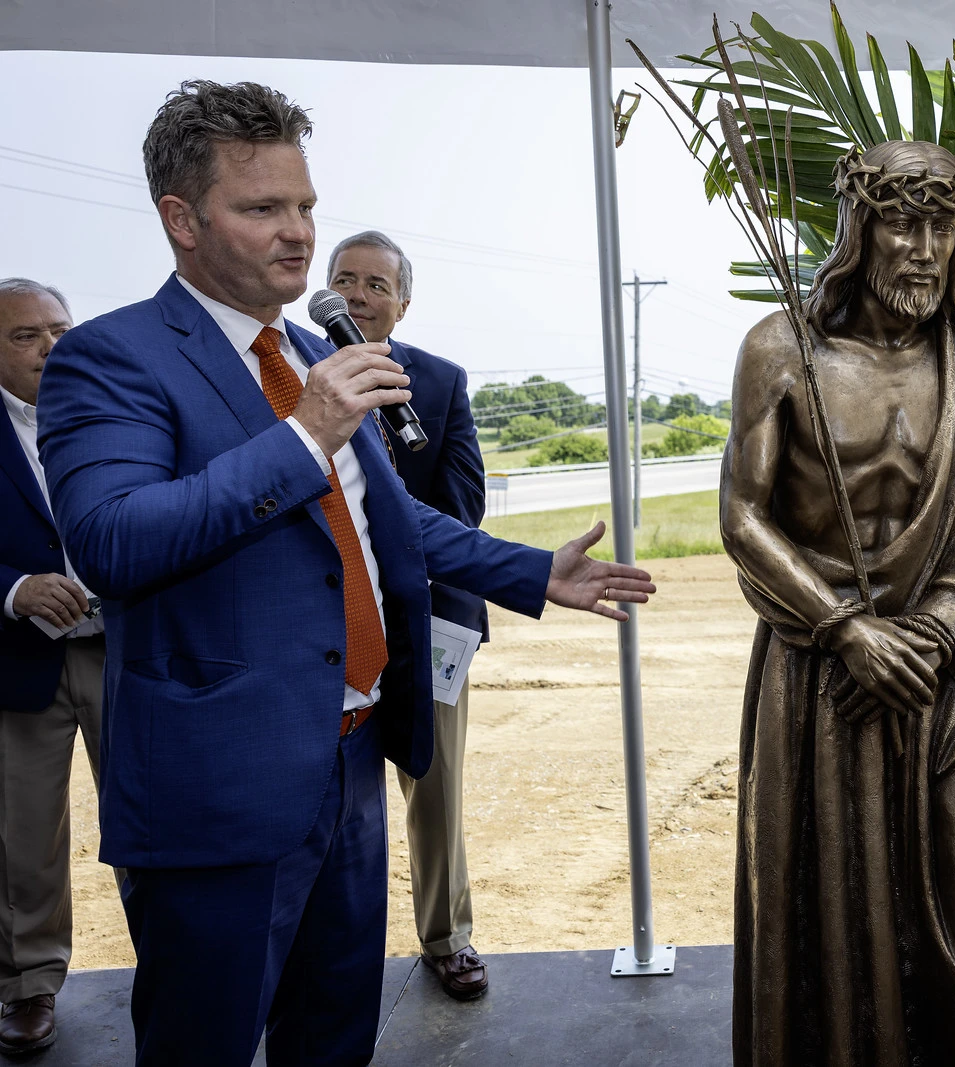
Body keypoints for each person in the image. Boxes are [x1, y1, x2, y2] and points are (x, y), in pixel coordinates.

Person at [35, 80, 653, 1066]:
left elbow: (382, 521)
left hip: (353, 765)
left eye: (305, 205)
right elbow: (113, 539)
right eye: (262, 208)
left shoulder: (314, 349)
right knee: (206, 1043)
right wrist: (306, 432)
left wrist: (532, 572)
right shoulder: (112, 360)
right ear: (181, 220)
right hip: (221, 789)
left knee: (332, 1040)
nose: (296, 233)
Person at [720, 141, 955, 1065]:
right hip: (826, 679)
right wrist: (845, 627)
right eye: (903, 220)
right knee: (830, 944)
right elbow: (743, 516)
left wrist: (932, 637)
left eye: (944, 225)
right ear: (857, 228)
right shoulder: (781, 351)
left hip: (952, 682)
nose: (924, 247)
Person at [327, 229, 490, 999]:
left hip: (431, 624)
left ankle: (447, 938)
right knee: (327, 793)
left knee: (435, 784)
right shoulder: (289, 376)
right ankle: (318, 958)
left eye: (375, 284)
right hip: (328, 625)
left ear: (403, 301)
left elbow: (463, 512)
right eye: (344, 280)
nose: (357, 296)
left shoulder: (442, 381)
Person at [0, 279, 106, 1055]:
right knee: (24, 837)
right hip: (19, 663)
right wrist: (15, 590)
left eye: (61, 331)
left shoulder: (113, 412)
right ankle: (31, 984)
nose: (49, 348)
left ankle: (178, 965)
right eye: (26, 335)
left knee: (151, 820)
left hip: (120, 651)